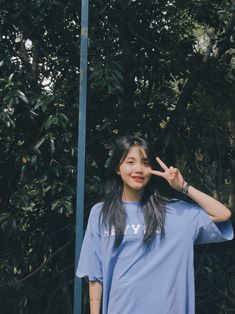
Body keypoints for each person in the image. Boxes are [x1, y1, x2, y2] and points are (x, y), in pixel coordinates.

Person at [76, 135, 233, 314]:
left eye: (145, 163)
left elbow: (223, 214)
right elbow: (95, 274)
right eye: (130, 162)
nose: (138, 169)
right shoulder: (101, 213)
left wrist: (183, 186)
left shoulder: (176, 213)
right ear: (117, 168)